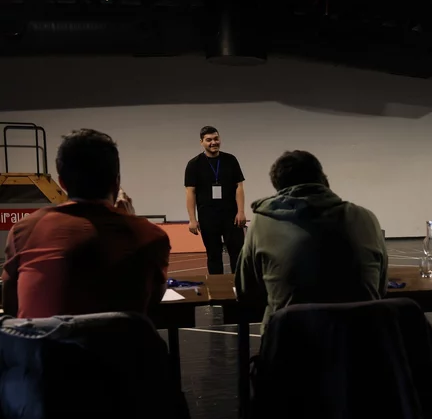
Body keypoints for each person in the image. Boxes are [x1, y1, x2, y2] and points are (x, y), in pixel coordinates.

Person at [2, 129, 170, 318]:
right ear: (116, 182)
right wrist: (129, 220)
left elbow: (10, 306)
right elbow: (151, 301)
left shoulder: (24, 231)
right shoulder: (149, 235)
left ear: (62, 182)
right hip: (117, 338)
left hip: (43, 338)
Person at [235, 150, 388, 332]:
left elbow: (247, 292)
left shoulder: (262, 223)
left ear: (278, 187)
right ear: (323, 179)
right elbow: (381, 287)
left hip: (292, 342)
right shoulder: (366, 218)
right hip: (362, 340)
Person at [184, 126, 247, 274]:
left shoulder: (230, 160)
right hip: (207, 216)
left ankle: (240, 285)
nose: (213, 142)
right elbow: (190, 192)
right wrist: (192, 219)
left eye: (216, 138)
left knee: (238, 253)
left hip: (232, 216)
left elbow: (239, 187)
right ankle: (216, 286)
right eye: (209, 140)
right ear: (201, 142)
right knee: (213, 255)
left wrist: (241, 211)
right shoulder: (194, 164)